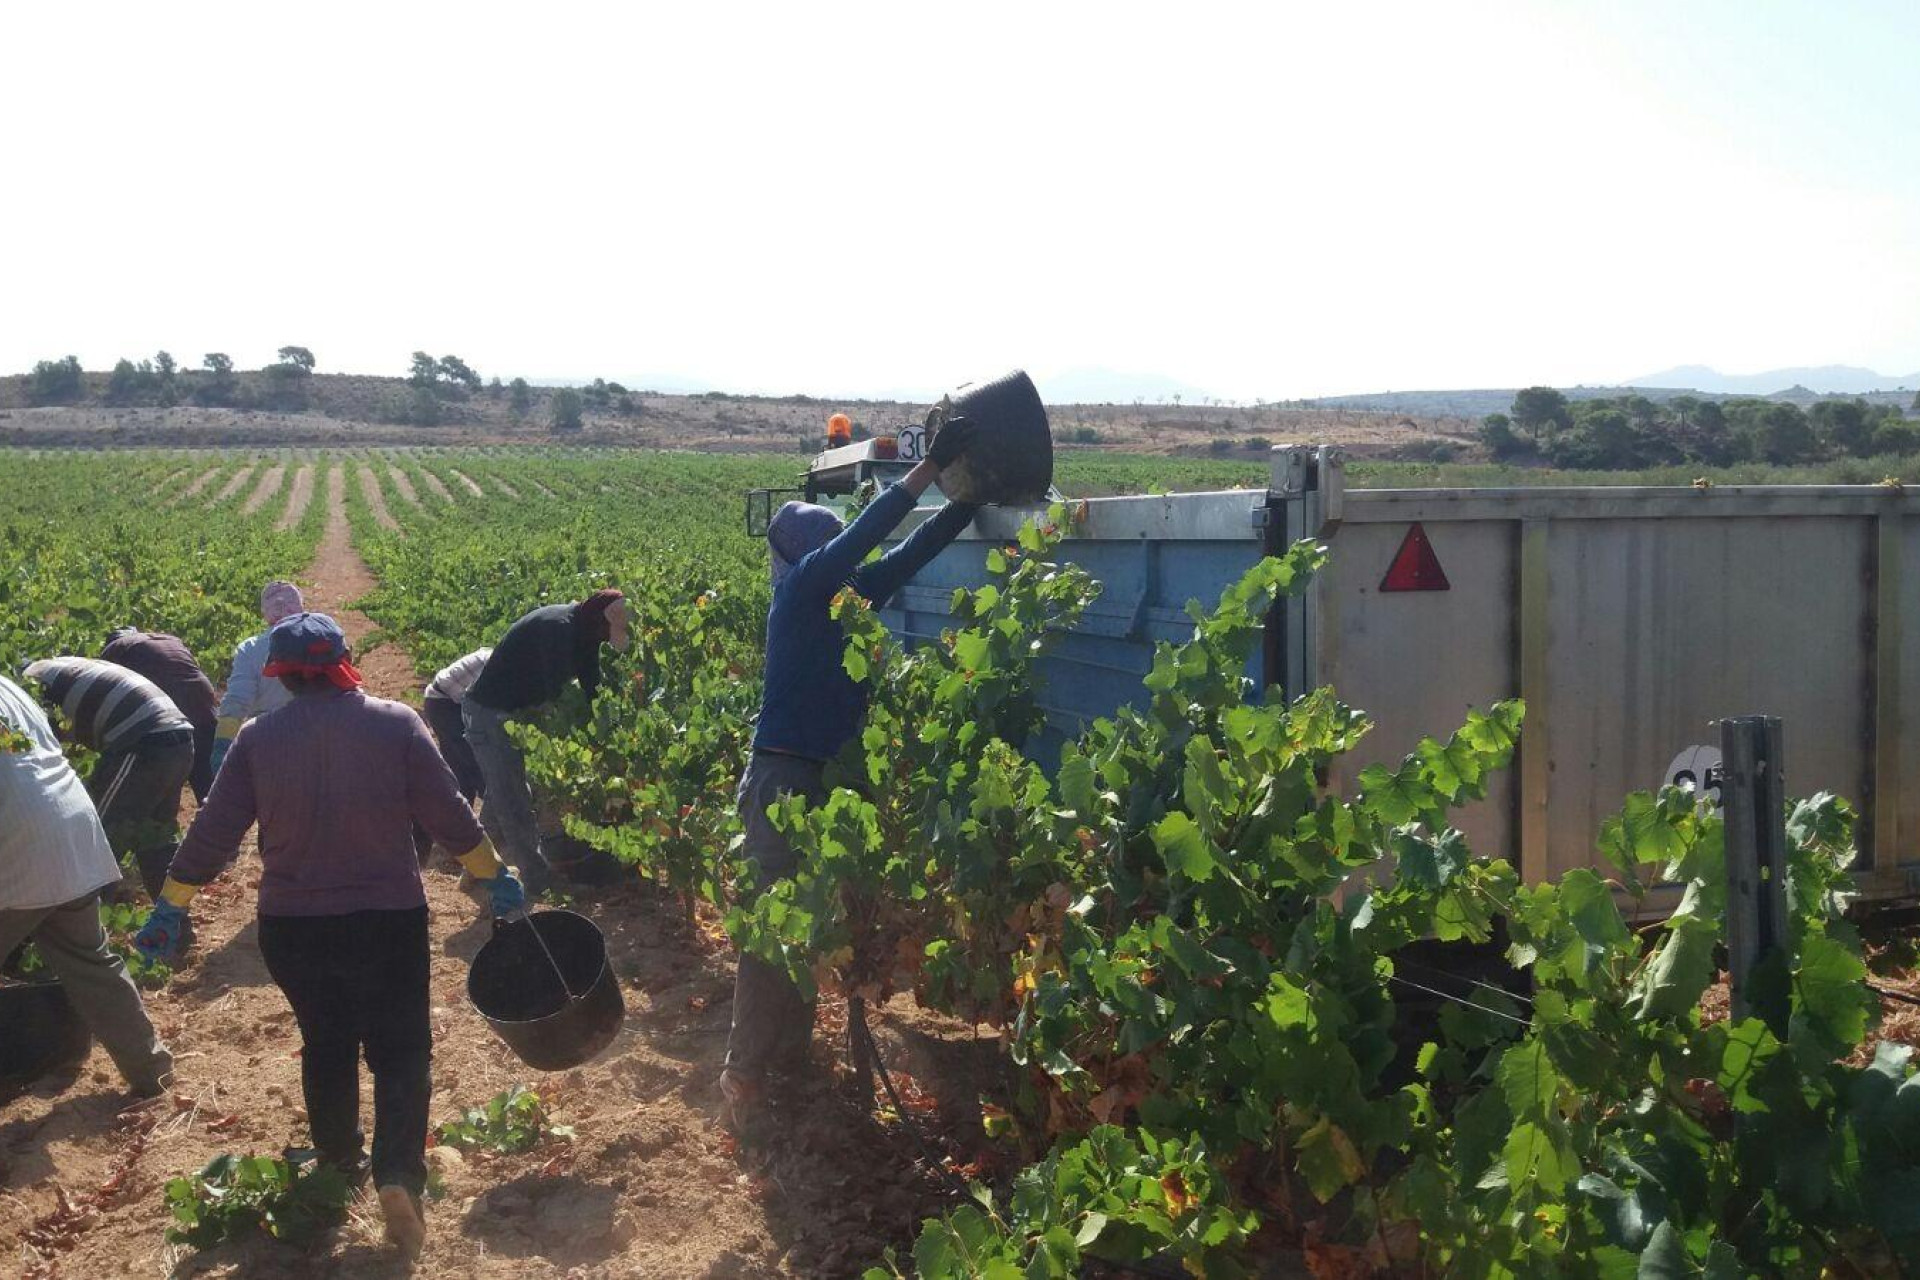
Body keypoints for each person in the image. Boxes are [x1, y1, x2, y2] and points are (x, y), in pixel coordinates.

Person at [135, 612, 525, 1262]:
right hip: (386, 920)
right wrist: (494, 876)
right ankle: (398, 1174)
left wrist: (170, 906)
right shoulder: (396, 723)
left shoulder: (259, 739)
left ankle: (341, 1164)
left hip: (293, 930)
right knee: (402, 1054)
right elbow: (449, 815)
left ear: (281, 674)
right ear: (345, 660)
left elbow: (213, 832)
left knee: (327, 1044)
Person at [720, 418, 981, 1124]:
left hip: (830, 782)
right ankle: (742, 1077)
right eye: (824, 549)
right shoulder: (801, 594)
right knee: (769, 932)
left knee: (817, 924)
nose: (835, 556)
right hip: (780, 781)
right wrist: (926, 472)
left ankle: (791, 1059)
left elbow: (910, 554)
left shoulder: (849, 594)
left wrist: (967, 498)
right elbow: (866, 540)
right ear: (799, 557)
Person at [0, 674, 173, 1098]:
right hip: (69, 823)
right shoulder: (8, 687)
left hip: (16, 835)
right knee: (90, 961)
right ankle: (153, 1073)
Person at [463, 591, 629, 891]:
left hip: (515, 714)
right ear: (597, 621)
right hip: (490, 714)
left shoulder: (585, 633)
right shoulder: (558, 630)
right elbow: (557, 699)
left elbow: (592, 688)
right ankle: (540, 881)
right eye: (607, 632)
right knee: (516, 801)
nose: (606, 640)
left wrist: (608, 733)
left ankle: (476, 870)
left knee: (501, 792)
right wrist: (575, 752)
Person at [22, 655, 196, 902]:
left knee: (95, 840)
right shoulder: (56, 668)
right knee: (155, 837)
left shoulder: (29, 688)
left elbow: (42, 759)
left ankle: (88, 932)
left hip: (143, 744)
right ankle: (172, 926)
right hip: (179, 739)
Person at [100, 625, 220, 802]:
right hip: (206, 706)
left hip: (173, 716)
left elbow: (108, 692)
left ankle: (160, 823)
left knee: (164, 769)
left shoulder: (116, 649)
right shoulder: (170, 640)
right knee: (205, 778)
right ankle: (218, 823)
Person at [210, 580, 305, 776]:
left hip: (267, 738)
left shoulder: (251, 648)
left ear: (265, 612)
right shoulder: (320, 639)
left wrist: (221, 747)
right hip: (315, 734)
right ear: (300, 607)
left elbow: (237, 701)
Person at [422, 647, 491, 803]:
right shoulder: (490, 665)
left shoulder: (493, 658)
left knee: (459, 768)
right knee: (472, 760)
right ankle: (492, 813)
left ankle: (460, 817)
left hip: (449, 702)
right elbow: (483, 707)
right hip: (442, 702)